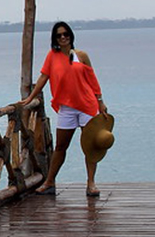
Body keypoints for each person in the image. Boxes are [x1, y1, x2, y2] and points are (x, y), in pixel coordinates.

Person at [20, 21, 108, 197]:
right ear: (55, 38)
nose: (63, 38)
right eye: (59, 35)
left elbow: (93, 79)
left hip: (87, 106)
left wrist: (100, 101)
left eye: (65, 34)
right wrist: (30, 97)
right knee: (60, 147)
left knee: (90, 146)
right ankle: (49, 182)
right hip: (66, 108)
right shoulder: (52, 56)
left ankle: (91, 183)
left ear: (71, 36)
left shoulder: (81, 55)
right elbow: (43, 78)